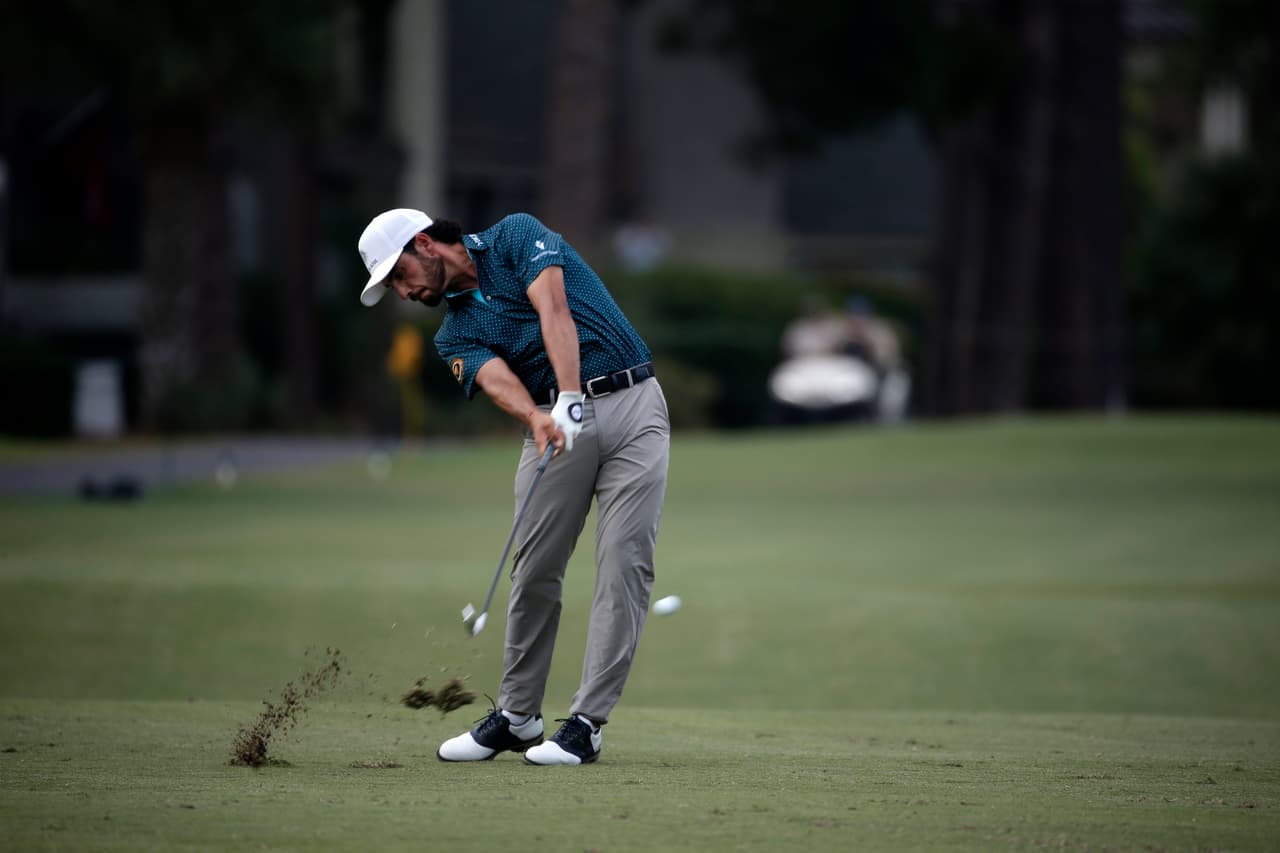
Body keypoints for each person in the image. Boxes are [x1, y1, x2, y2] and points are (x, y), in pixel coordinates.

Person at [357, 208, 670, 765]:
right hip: (553, 424)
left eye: (398, 276)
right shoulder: (454, 333)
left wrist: (571, 392)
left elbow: (553, 308)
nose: (402, 292)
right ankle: (518, 717)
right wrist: (536, 415)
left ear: (424, 244)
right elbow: (494, 378)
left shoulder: (515, 237)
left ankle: (586, 724)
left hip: (633, 406)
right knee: (534, 569)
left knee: (624, 564)